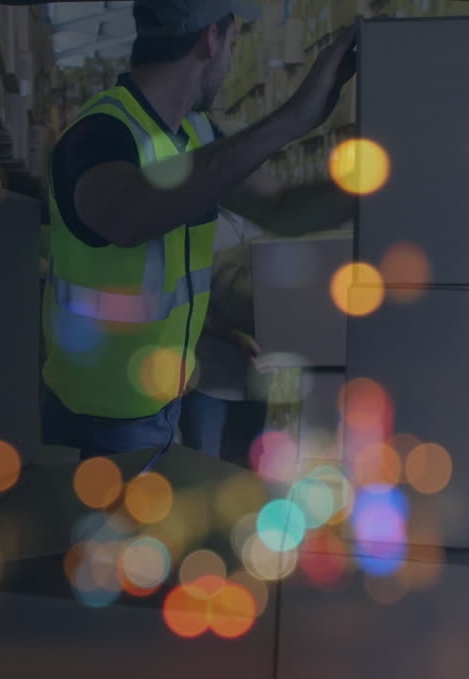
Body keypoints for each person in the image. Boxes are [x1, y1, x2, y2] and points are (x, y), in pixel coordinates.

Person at [41, 0, 359, 460]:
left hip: (160, 406)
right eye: (233, 42)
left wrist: (377, 184)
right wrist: (288, 122)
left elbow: (282, 209)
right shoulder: (100, 133)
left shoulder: (196, 135)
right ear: (212, 38)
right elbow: (127, 216)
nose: (230, 61)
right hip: (98, 423)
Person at [179, 208, 269, 468]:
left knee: (257, 472)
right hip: (208, 378)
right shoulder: (196, 221)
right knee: (201, 468)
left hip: (262, 378)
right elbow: (189, 298)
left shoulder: (270, 220)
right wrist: (235, 336)